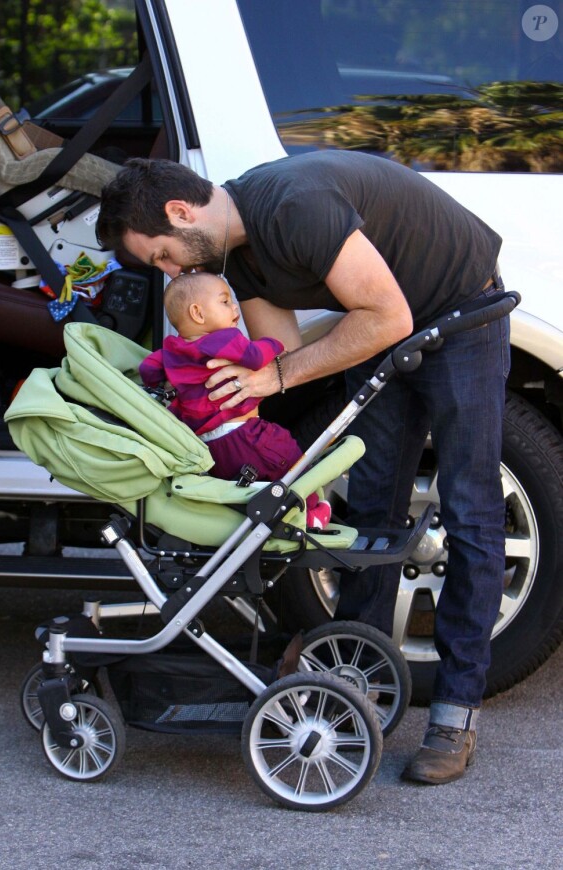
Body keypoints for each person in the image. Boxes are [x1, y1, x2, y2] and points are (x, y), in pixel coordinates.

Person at [97, 152, 510, 785]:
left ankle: (454, 717)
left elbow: (378, 321)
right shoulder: (229, 259)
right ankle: (355, 686)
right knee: (370, 508)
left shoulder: (295, 206)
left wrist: (277, 374)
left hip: (458, 311)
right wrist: (204, 390)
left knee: (470, 509)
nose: (171, 273)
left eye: (161, 256)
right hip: (378, 326)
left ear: (181, 215)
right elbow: (284, 354)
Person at [138, 269, 331, 528]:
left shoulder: (172, 349)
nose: (234, 308)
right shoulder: (223, 339)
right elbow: (253, 356)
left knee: (246, 484)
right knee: (289, 459)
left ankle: (272, 520)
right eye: (225, 301)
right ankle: (309, 514)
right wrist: (275, 344)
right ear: (198, 313)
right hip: (245, 434)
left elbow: (148, 369)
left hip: (209, 446)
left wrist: (163, 383)